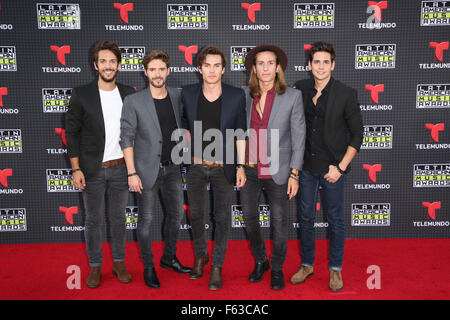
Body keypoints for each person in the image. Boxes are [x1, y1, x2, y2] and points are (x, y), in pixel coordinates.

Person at [291, 41, 363, 292]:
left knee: (335, 219)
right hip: (306, 167)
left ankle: (335, 269)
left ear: (333, 64)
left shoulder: (346, 93)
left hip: (333, 168)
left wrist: (341, 167)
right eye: (316, 62)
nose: (320, 66)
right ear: (309, 65)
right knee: (305, 218)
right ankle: (307, 265)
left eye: (325, 62)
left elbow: (357, 135)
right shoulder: (299, 89)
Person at [66, 40, 135, 288]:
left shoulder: (129, 93)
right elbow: (72, 133)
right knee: (93, 220)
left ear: (118, 65)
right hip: (92, 169)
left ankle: (118, 262)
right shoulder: (81, 94)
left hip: (120, 168)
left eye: (112, 61)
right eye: (103, 61)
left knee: (118, 218)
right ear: (95, 65)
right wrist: (76, 168)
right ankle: (95, 266)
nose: (108, 66)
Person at [120, 50, 191, 289]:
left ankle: (169, 258)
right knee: (146, 221)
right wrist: (131, 172)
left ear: (168, 71)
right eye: (153, 69)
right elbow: (126, 138)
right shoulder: (134, 101)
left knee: (177, 215)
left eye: (162, 69)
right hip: (145, 170)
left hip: (172, 168)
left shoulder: (176, 96)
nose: (157, 74)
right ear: (145, 72)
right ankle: (149, 266)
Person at [181, 45, 247, 290]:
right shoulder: (187, 94)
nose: (211, 70)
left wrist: (240, 165)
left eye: (216, 65)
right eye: (206, 65)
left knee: (222, 217)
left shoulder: (236, 95)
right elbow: (182, 127)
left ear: (223, 68)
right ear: (199, 68)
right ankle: (201, 256)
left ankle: (217, 264)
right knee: (196, 215)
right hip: (197, 166)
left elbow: (241, 132)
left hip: (224, 167)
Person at [241, 44, 306, 290]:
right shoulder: (246, 95)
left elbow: (299, 138)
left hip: (278, 169)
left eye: (270, 63)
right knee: (249, 218)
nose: (265, 67)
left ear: (277, 67)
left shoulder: (292, 96)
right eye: (261, 63)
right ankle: (261, 260)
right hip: (249, 168)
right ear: (254, 69)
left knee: (279, 222)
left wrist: (294, 173)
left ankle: (277, 268)